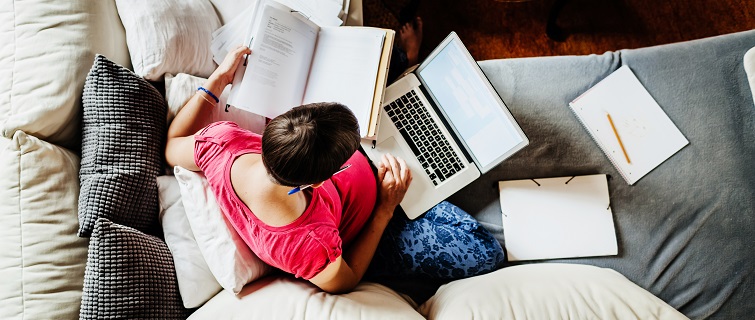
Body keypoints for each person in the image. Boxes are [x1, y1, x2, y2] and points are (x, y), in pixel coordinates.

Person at [165, 45, 504, 296]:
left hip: (366, 157)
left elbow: (172, 144)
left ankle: (406, 59)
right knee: (484, 254)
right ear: (318, 181)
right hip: (378, 220)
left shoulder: (221, 142)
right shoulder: (307, 244)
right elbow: (348, 278)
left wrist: (218, 80)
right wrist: (385, 208)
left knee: (392, 53)